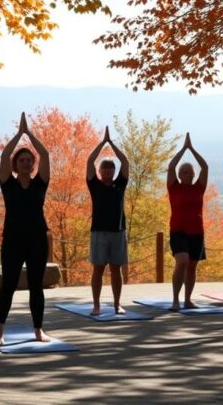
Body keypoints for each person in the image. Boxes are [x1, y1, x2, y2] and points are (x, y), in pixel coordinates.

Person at [0, 112, 51, 346]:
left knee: (36, 286)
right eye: (22, 160)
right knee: (8, 286)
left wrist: (31, 135)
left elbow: (45, 154)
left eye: (29, 160)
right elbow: (5, 154)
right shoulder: (8, 184)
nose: (26, 162)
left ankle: (38, 329)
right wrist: (19, 135)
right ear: (15, 165)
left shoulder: (40, 183)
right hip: (13, 241)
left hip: (37, 240)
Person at [86, 126, 130, 315]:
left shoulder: (120, 184)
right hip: (99, 232)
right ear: (100, 171)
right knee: (98, 269)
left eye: (111, 168)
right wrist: (102, 143)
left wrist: (112, 144)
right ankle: (96, 305)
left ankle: (117, 304)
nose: (108, 170)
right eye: (105, 168)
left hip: (118, 231)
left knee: (116, 269)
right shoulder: (94, 184)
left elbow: (126, 162)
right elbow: (89, 161)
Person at [167, 132, 208, 310]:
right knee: (182, 261)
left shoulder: (199, 187)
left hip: (197, 232)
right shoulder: (173, 187)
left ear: (193, 174)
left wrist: (192, 149)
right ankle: (175, 299)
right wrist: (183, 149)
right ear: (179, 175)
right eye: (183, 172)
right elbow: (171, 166)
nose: (186, 174)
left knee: (192, 266)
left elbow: (205, 167)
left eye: (189, 172)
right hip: (178, 231)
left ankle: (187, 299)